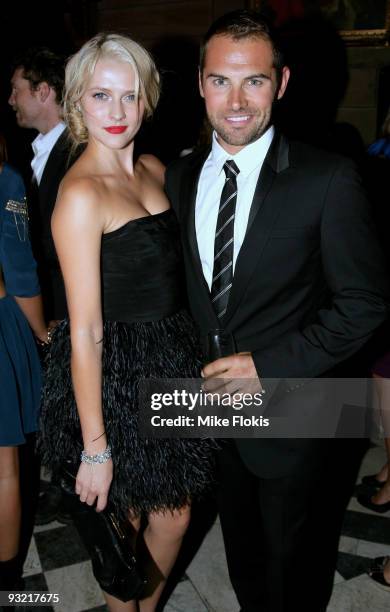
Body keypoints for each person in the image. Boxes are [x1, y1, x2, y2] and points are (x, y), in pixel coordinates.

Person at [165, 10, 390, 612]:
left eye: (254, 81)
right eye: (220, 80)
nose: (236, 100)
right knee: (243, 560)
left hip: (296, 410)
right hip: (211, 415)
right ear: (200, 82)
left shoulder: (329, 178)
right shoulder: (181, 176)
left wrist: (267, 366)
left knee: (295, 568)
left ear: (281, 83)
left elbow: (365, 306)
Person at [38, 33, 216, 612]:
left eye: (130, 96)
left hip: (171, 362)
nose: (117, 113)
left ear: (149, 99)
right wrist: (96, 448)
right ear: (75, 103)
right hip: (112, 374)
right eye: (100, 96)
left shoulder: (154, 168)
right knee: (126, 525)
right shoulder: (81, 194)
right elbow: (84, 330)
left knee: (175, 515)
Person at [9, 47, 80, 525]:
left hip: (63, 308)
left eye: (16, 90)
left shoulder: (76, 152)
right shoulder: (35, 153)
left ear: (44, 91)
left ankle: (79, 487)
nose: (10, 100)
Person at [0, 133, 47, 590]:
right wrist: (41, 330)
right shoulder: (6, 178)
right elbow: (18, 269)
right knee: (5, 469)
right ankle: (9, 584)